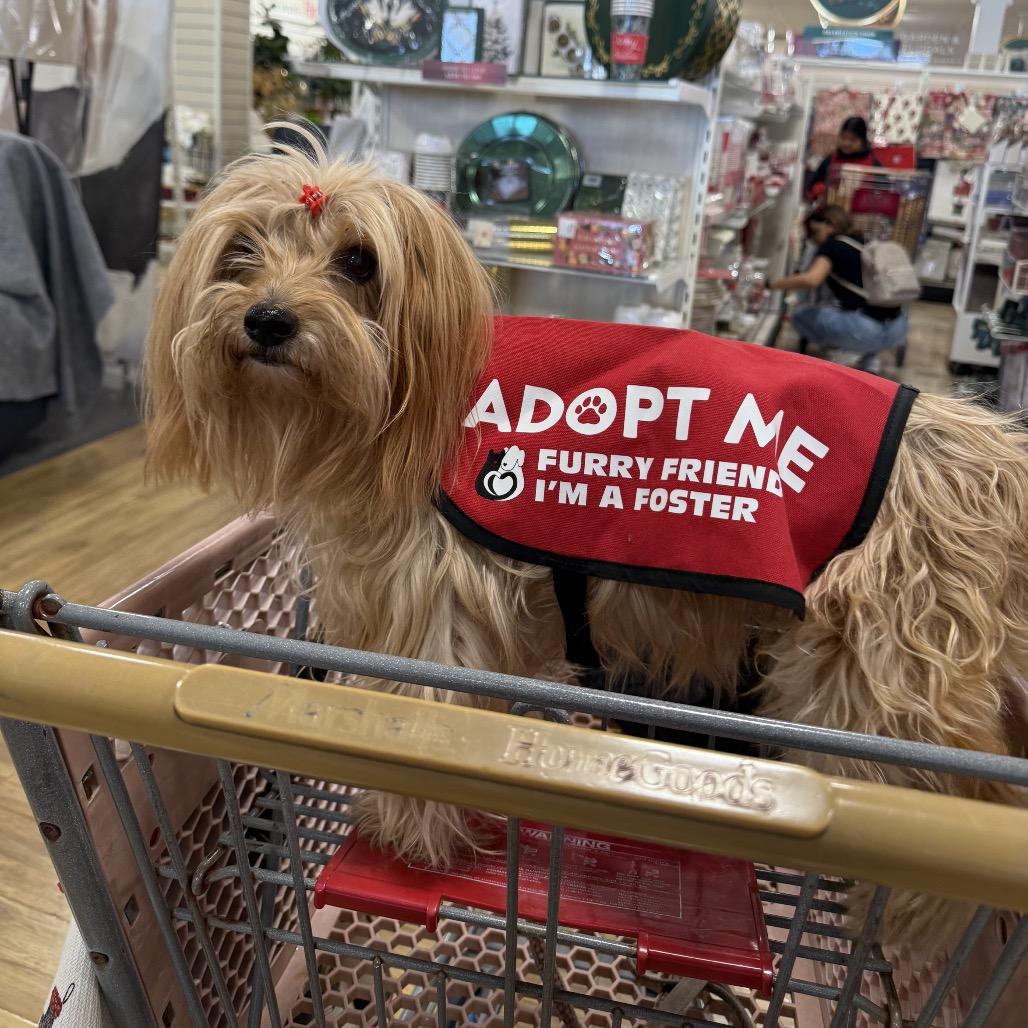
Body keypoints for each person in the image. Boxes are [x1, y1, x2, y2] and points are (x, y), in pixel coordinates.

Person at [767, 205, 908, 373]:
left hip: (865, 331)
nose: (813, 240)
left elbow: (812, 279)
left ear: (828, 224)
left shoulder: (832, 246)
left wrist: (772, 285)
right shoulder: (862, 241)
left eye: (814, 232)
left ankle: (848, 350)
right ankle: (869, 357)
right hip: (898, 329)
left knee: (800, 316)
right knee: (857, 311)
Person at [805, 116, 881, 203]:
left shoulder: (873, 163)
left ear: (863, 141)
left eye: (853, 140)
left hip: (862, 212)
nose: (846, 143)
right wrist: (819, 189)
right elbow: (812, 185)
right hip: (833, 211)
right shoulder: (830, 159)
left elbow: (883, 190)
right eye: (843, 138)